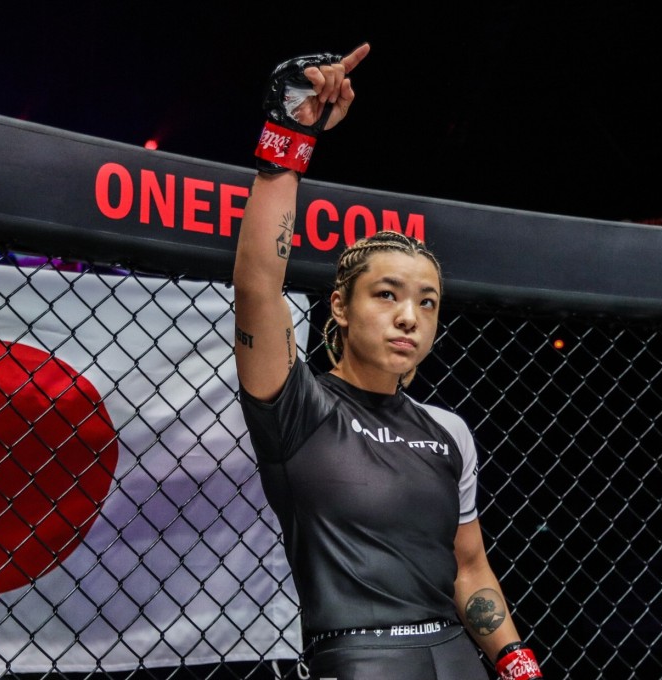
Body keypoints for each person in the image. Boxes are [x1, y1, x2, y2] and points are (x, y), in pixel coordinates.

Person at [233, 43, 543, 680]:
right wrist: (288, 137)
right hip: (360, 658)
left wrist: (515, 662)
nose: (410, 316)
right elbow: (259, 285)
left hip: (460, 655)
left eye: (426, 303)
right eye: (387, 294)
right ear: (340, 308)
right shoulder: (298, 408)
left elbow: (469, 566)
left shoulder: (449, 432)